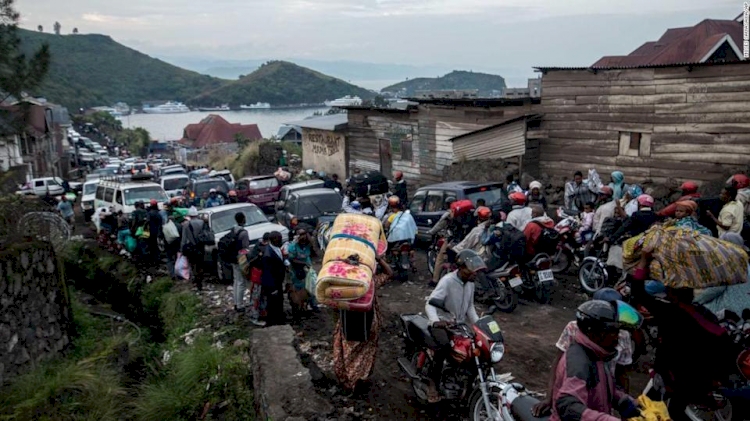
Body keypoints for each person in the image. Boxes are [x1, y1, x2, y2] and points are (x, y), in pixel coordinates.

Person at [532, 288, 637, 417]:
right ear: (596, 330)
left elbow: (613, 378)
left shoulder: (599, 353)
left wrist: (624, 401)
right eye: (612, 331)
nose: (617, 337)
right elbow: (567, 404)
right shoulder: (579, 361)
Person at [424, 249, 486, 402]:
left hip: (459, 325)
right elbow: (430, 304)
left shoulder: (469, 284)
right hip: (442, 323)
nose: (475, 274)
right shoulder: (447, 281)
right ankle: (433, 383)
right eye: (472, 270)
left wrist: (479, 325)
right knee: (444, 346)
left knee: (475, 348)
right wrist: (435, 321)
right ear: (461, 267)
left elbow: (470, 307)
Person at [333, 255, 394, 390]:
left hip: (348, 322)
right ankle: (359, 377)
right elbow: (389, 273)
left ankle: (350, 380)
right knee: (365, 352)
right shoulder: (370, 282)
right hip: (368, 321)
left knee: (348, 352)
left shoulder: (343, 284)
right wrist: (379, 259)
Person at [694, 232, 750, 316]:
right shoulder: (745, 263)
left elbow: (716, 289)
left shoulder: (728, 265)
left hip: (730, 309)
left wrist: (696, 300)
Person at [286, 228, 318, 317]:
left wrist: (308, 237)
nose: (303, 236)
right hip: (296, 269)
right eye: (300, 234)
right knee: (299, 287)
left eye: (304, 234)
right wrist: (304, 263)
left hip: (307, 267)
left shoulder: (307, 244)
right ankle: (298, 307)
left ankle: (312, 304)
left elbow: (313, 249)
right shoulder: (293, 246)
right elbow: (292, 259)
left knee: (311, 286)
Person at [261, 231, 287, 326]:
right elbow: (268, 273)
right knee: (273, 303)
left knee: (279, 301)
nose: (281, 240)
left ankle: (279, 319)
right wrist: (272, 288)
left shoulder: (275, 249)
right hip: (272, 283)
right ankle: (272, 322)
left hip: (278, 281)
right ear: (274, 240)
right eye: (279, 239)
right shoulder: (268, 255)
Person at [244, 233, 268, 326]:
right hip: (259, 277)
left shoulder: (256, 247)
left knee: (258, 297)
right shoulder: (264, 250)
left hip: (256, 277)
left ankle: (260, 314)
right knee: (257, 298)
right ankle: (255, 316)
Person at [180, 206, 206, 291]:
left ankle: (197, 282)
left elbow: (184, 239)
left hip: (191, 248)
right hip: (201, 247)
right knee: (200, 264)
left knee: (193, 265)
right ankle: (200, 280)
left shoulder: (186, 225)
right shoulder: (202, 223)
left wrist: (182, 250)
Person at [231, 212, 251, 313]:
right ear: (243, 219)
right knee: (241, 282)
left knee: (236, 281)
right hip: (241, 259)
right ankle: (239, 305)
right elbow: (245, 248)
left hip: (233, 258)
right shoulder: (243, 232)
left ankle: (236, 302)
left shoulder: (233, 230)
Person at [147, 199, 163, 264]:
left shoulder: (150, 213)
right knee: (156, 246)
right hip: (158, 231)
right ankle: (157, 258)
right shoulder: (158, 213)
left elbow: (147, 221)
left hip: (151, 231)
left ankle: (153, 259)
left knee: (152, 246)